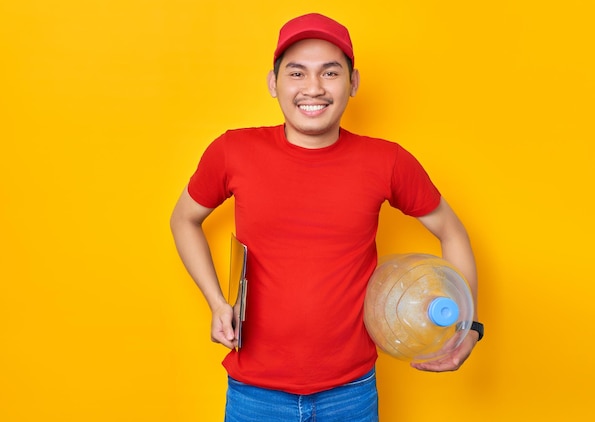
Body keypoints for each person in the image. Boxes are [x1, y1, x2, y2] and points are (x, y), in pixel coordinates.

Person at [170, 12, 483, 422]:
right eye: (297, 73)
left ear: (353, 83)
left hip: (350, 395)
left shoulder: (387, 161)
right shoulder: (232, 151)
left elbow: (451, 231)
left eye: (330, 73)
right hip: (254, 395)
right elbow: (183, 219)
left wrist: (466, 325)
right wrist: (215, 301)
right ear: (273, 83)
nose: (313, 88)